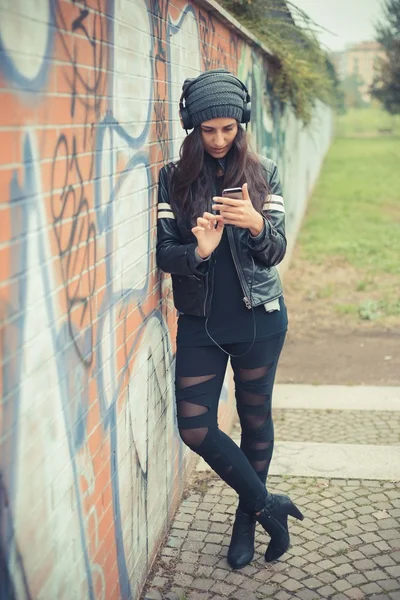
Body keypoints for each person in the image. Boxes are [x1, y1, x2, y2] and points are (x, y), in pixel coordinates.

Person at [156, 68, 303, 569]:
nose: (218, 140)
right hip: (200, 322)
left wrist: (258, 224)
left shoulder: (265, 174)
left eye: (228, 128)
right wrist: (197, 249)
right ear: (191, 128)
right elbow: (164, 254)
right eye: (207, 130)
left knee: (255, 419)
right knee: (194, 426)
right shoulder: (173, 180)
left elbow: (275, 251)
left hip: (260, 319)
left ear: (241, 124)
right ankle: (268, 505)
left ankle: (245, 521)